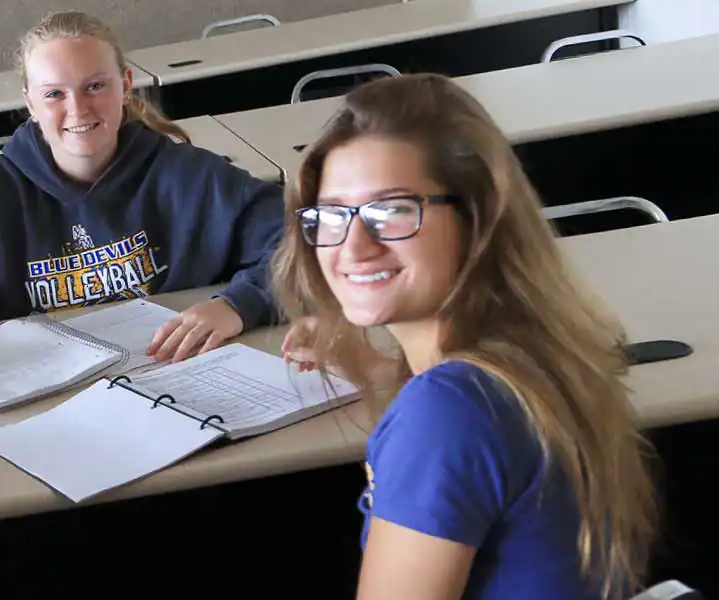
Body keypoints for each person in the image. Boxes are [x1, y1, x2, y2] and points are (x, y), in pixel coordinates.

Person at [272, 74, 659, 598]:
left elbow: (454, 430)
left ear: (477, 220)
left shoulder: (448, 411)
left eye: (393, 211)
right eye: (333, 214)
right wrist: (370, 364)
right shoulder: (532, 354)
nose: (353, 246)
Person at [0, 10, 286, 401]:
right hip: (46, 406)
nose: (78, 108)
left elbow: (305, 242)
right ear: (29, 102)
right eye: (54, 94)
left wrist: (238, 305)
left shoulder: (188, 176)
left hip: (177, 388)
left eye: (95, 86)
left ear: (125, 86)